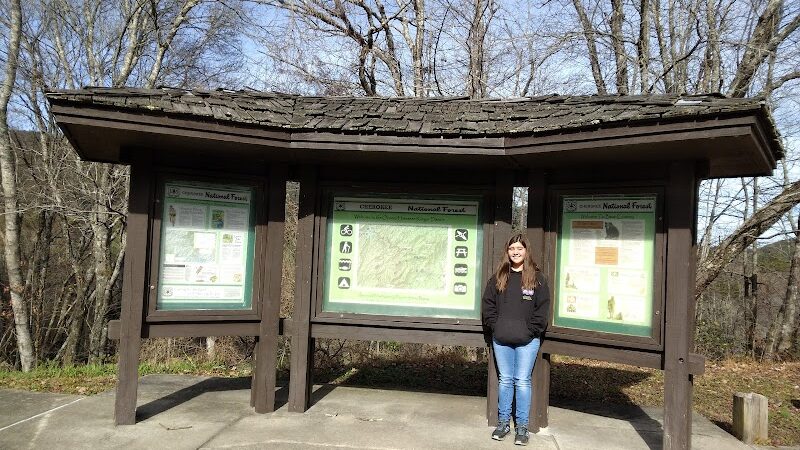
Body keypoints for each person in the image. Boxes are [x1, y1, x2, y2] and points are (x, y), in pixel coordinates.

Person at [482, 233, 550, 446]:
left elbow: (542, 310)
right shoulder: (498, 277)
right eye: (512, 249)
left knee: (522, 381)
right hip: (501, 339)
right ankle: (503, 423)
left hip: (528, 341)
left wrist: (530, 331)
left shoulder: (538, 278)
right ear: (507, 251)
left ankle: (522, 426)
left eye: (519, 248)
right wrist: (496, 326)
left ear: (526, 251)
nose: (515, 252)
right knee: (505, 380)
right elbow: (488, 305)